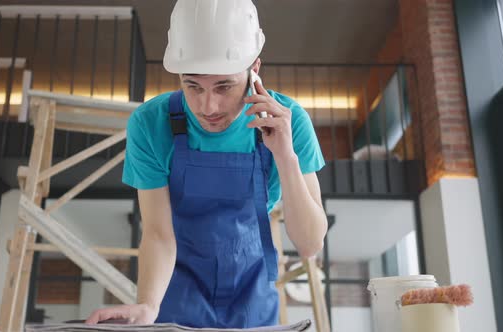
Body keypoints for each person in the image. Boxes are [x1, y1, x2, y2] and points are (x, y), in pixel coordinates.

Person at [86, 0, 328, 328]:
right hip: (174, 291)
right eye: (193, 86)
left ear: (254, 70)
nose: (207, 106)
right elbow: (157, 233)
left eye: (224, 86)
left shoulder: (290, 122)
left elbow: (310, 243)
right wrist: (147, 305)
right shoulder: (150, 124)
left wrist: (285, 157)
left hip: (252, 292)